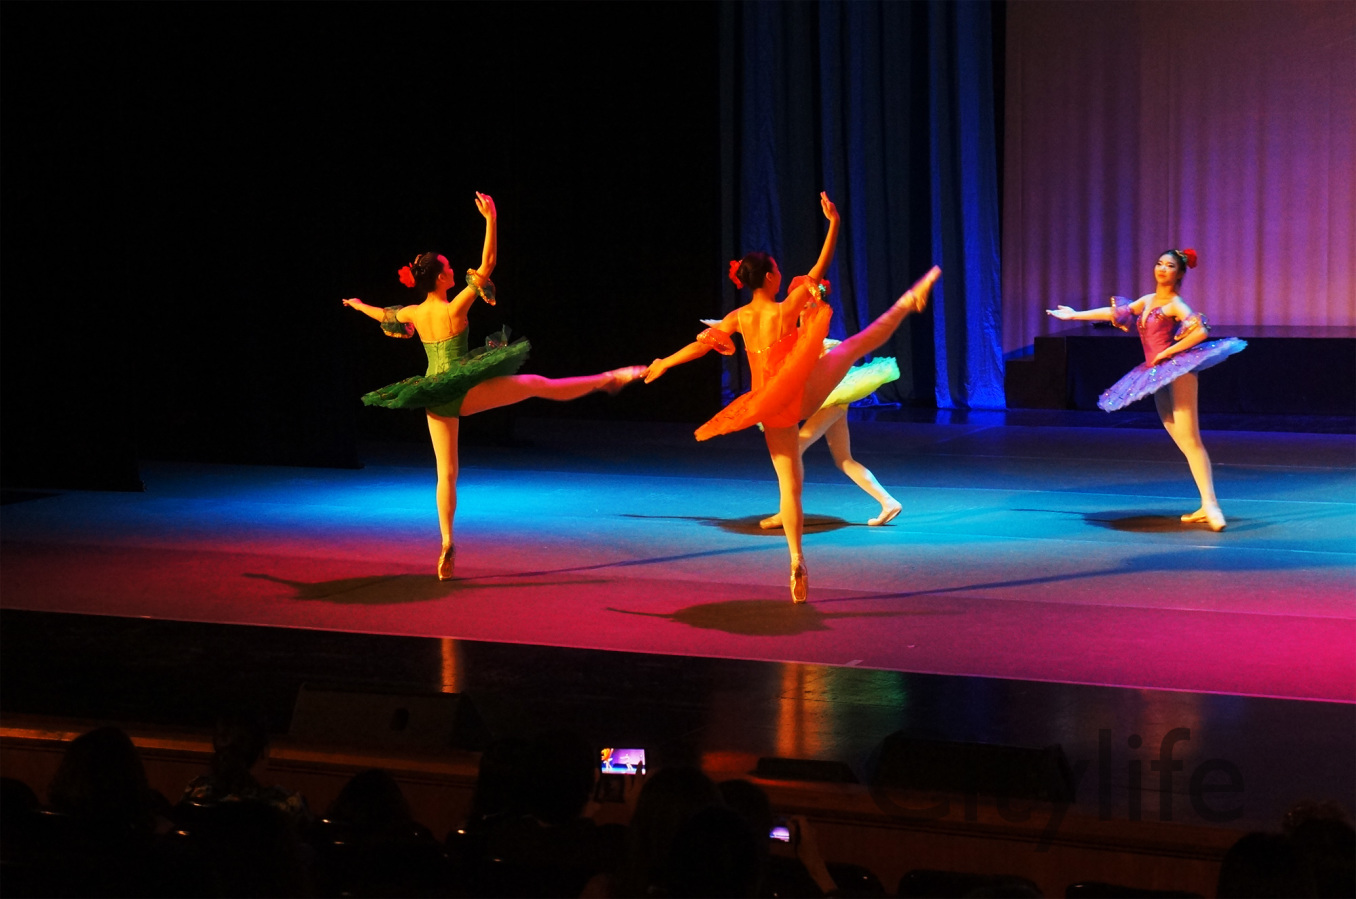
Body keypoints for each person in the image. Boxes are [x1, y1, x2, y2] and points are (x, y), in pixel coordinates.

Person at [646, 192, 939, 603]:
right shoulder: (786, 309)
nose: (781, 274)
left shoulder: (739, 317)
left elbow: (700, 346)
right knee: (855, 345)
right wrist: (834, 223)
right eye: (778, 270)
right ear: (769, 277)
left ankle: (797, 559)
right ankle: (908, 301)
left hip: (770, 406)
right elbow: (821, 266)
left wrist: (664, 362)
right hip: (801, 391)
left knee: (790, 486)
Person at [344, 192, 646, 579]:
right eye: (449, 268)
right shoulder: (454, 307)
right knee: (536, 383)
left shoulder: (415, 313)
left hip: (433, 393)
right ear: (441, 277)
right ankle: (607, 379)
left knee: (446, 473)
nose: (454, 270)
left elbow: (381, 314)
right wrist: (491, 219)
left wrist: (357, 305)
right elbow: (487, 264)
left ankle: (447, 542)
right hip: (462, 388)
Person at [1047, 248, 1245, 531]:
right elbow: (1114, 313)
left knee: (1191, 440)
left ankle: (1211, 505)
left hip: (1178, 371)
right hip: (1154, 374)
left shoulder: (1176, 304)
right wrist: (1074, 315)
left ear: (1180, 273)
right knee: (1181, 440)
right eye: (1159, 263)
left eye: (1170, 266)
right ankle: (1206, 503)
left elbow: (1201, 331)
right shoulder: (1148, 300)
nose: (1162, 269)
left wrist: (1169, 352)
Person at [753, 343, 903, 529]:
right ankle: (888, 502)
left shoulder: (812, 342)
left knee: (794, 449)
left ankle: (788, 512)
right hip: (834, 400)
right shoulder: (801, 342)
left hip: (832, 399)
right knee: (843, 459)